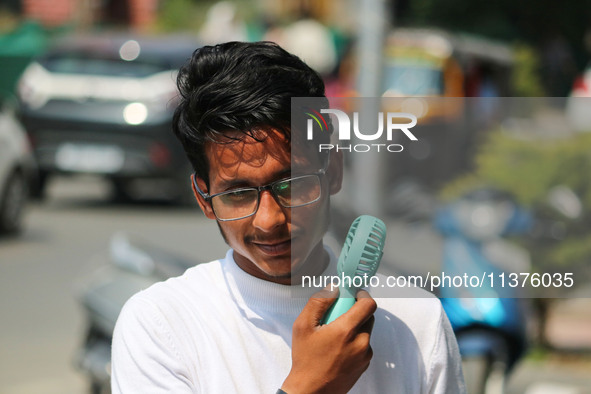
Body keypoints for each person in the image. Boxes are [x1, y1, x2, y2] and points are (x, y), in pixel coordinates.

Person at [111, 41, 465, 393]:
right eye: (237, 193)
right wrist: (310, 385)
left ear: (334, 171)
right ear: (204, 199)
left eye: (292, 184)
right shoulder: (161, 325)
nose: (269, 220)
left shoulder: (417, 319)